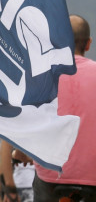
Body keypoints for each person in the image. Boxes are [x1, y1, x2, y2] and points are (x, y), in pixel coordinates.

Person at [32, 14, 96, 202]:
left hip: (51, 175)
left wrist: (19, 154)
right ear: (88, 43)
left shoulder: (41, 78)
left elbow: (31, 124)